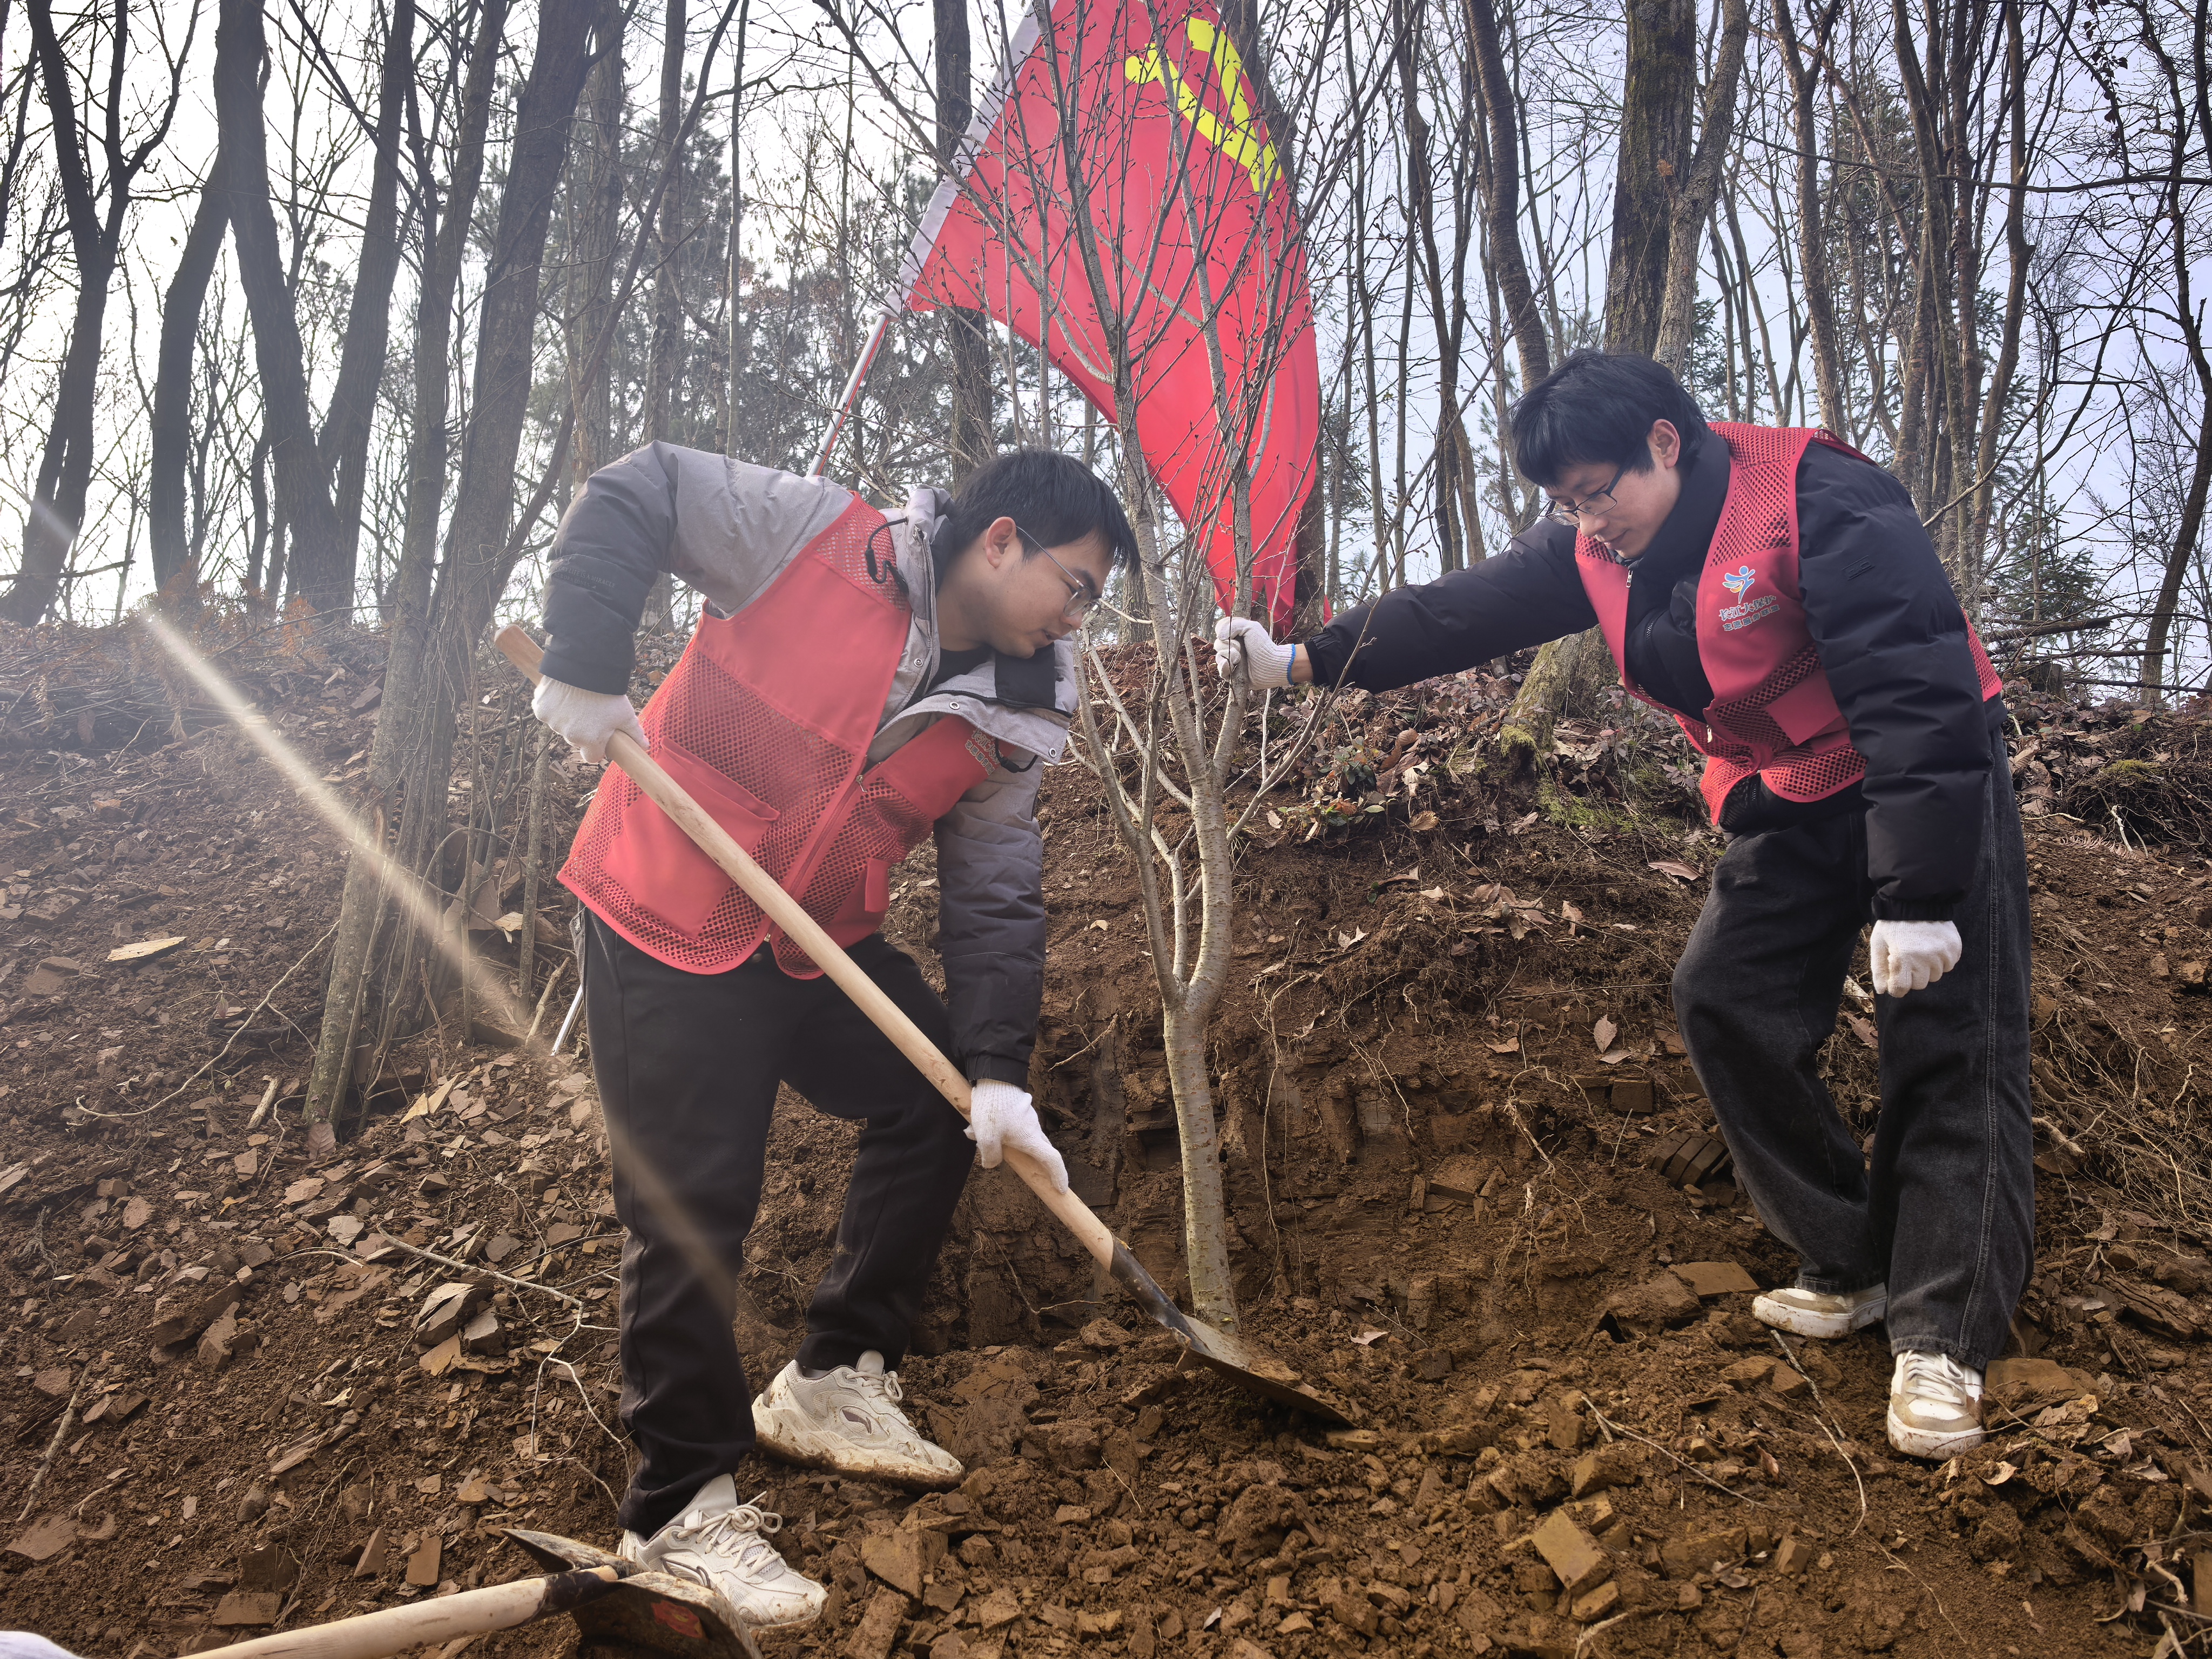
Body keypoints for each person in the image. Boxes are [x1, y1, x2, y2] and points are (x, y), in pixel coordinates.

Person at [1217, 351, 2029, 1463]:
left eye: (1598, 492)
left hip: (1921, 778)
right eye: (1563, 504)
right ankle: (1850, 1258)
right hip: (1790, 791)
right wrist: (1303, 660)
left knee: (1945, 1039)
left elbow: (1912, 681)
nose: (1585, 523)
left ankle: (1943, 1335)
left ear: (1664, 441)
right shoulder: (1595, 546)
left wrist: (1921, 896)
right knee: (1723, 996)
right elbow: (1464, 610)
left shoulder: (1813, 498)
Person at [530, 443, 1135, 1631]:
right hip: (665, 903)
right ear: (999, 538)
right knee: (693, 1206)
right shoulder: (809, 534)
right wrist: (587, 661)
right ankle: (673, 1515)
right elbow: (639, 488)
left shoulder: (1019, 703)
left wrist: (1001, 1070)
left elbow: (997, 886)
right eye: (1076, 584)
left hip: (810, 941)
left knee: (936, 1099)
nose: (1079, 615)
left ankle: (830, 1375)